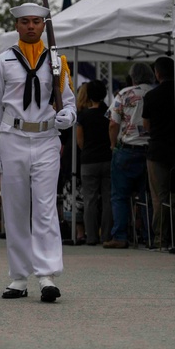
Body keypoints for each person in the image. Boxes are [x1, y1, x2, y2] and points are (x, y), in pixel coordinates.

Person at [0, 1, 76, 302]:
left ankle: (47, 275)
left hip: (47, 137)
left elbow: (69, 99)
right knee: (16, 209)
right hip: (13, 138)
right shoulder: (2, 62)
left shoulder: (57, 61)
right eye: (26, 22)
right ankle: (19, 277)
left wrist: (68, 116)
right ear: (17, 27)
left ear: (43, 25)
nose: (32, 26)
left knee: (46, 208)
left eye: (37, 21)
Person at [102, 63, 155, 250]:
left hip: (126, 149)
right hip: (150, 151)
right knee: (147, 196)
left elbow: (113, 123)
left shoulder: (124, 94)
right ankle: (150, 236)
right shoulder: (155, 92)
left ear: (132, 78)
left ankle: (120, 236)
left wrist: (112, 144)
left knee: (119, 196)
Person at [141, 56, 175, 250]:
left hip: (157, 149)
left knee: (159, 196)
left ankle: (161, 237)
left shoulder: (151, 96)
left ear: (157, 74)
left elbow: (146, 125)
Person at [76, 79, 112, 245]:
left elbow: (80, 141)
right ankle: (106, 235)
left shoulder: (83, 116)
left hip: (89, 160)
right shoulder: (109, 113)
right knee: (107, 199)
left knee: (90, 200)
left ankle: (91, 236)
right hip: (107, 158)